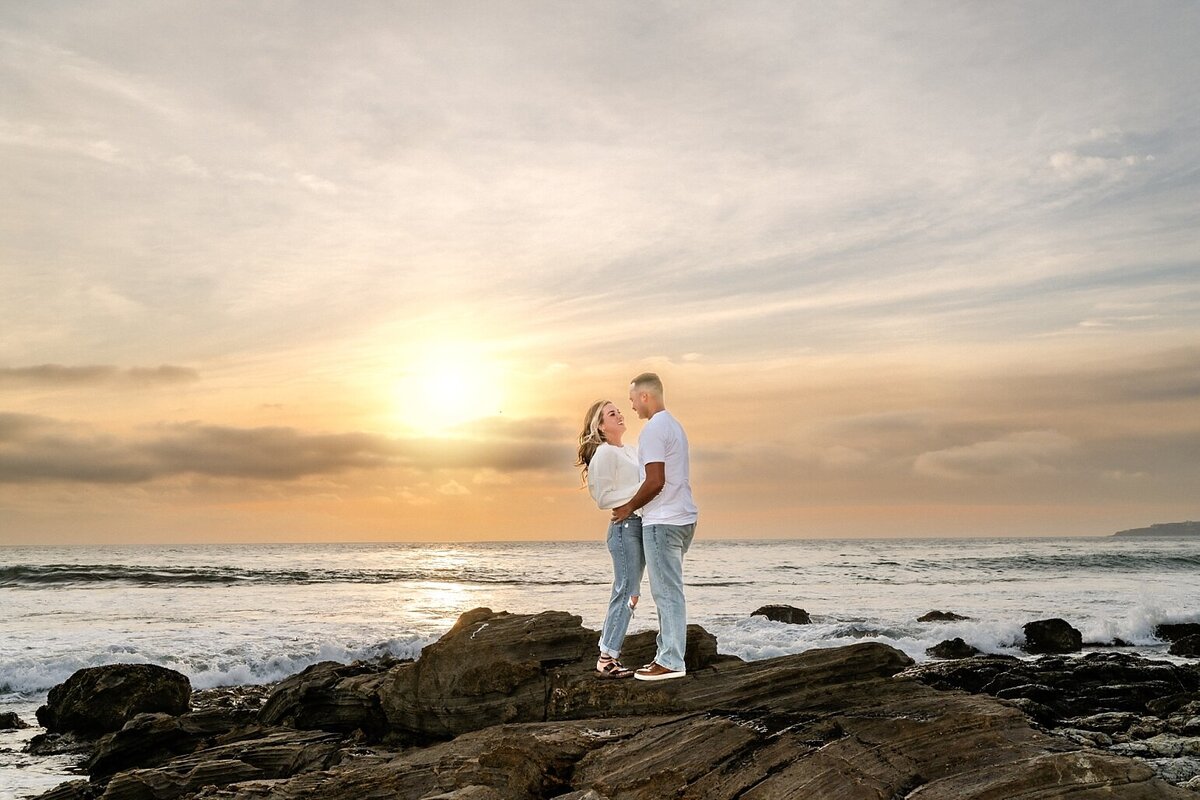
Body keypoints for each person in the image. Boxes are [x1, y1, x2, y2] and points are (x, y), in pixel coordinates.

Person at [611, 372, 698, 682]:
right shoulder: (674, 426)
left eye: (633, 398)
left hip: (663, 521)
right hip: (682, 519)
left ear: (645, 396)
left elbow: (656, 481)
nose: (631, 405)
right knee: (669, 591)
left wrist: (628, 507)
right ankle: (667, 654)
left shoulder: (653, 430)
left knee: (666, 593)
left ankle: (671, 660)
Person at [576, 398, 645, 679]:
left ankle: (609, 652)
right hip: (624, 527)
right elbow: (603, 498)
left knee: (632, 593)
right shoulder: (604, 454)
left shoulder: (631, 450)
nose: (619, 415)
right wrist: (637, 495)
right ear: (601, 426)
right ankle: (606, 658)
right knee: (626, 591)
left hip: (640, 524)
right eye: (611, 414)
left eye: (619, 411)